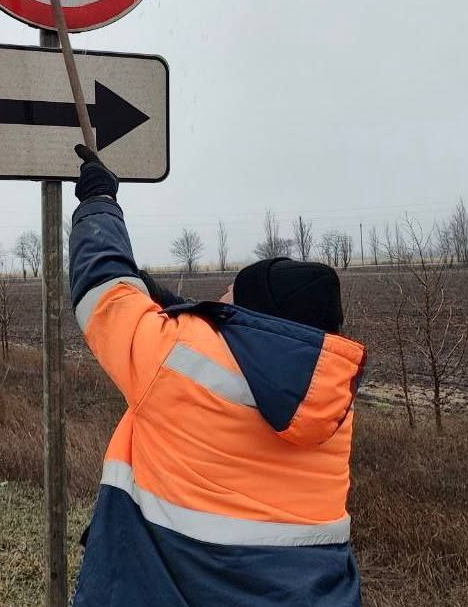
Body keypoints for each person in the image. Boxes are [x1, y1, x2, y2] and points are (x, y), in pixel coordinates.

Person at [68, 145, 366, 607]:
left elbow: (104, 290)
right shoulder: (329, 400)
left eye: (229, 297)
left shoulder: (174, 363)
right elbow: (230, 345)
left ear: (251, 317)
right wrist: (167, 301)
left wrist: (98, 201)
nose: (220, 302)